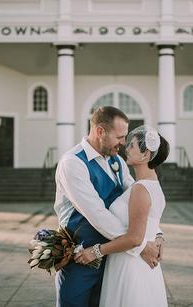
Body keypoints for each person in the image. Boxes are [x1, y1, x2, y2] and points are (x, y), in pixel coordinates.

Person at [54, 106, 164, 307]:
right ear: (100, 131)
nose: (123, 144)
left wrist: (156, 234)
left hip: (113, 256)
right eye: (120, 137)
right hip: (81, 258)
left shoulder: (118, 162)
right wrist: (140, 245)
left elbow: (139, 201)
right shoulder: (72, 163)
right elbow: (97, 214)